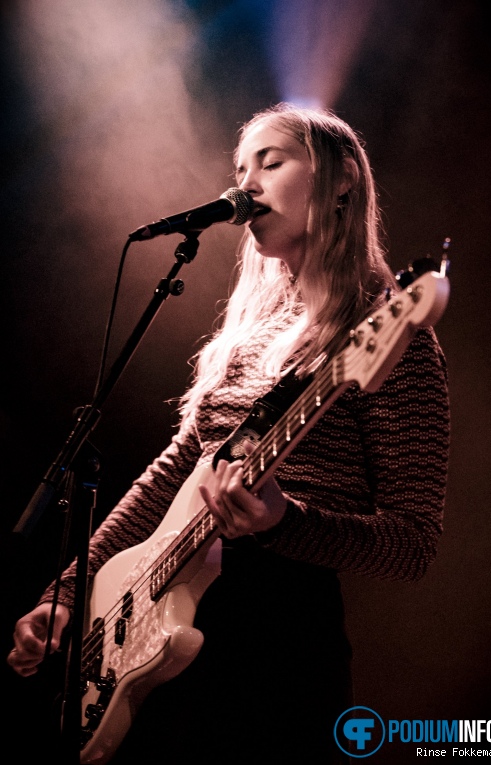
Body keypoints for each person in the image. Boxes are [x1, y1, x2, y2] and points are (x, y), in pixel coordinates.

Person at [6, 102, 450, 764]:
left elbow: (412, 544)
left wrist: (282, 522)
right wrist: (66, 594)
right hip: (162, 630)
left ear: (342, 181)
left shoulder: (392, 337)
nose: (246, 184)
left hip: (279, 636)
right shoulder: (249, 333)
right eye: (241, 167)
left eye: (271, 162)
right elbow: (166, 480)